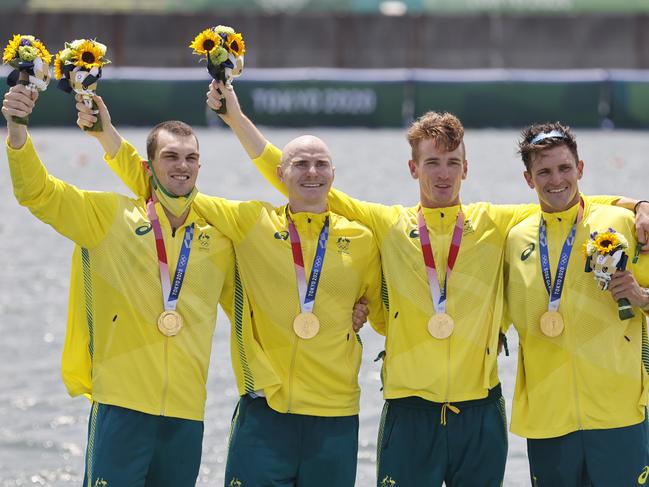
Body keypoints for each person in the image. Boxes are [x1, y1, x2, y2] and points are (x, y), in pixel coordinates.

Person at [205, 80, 649, 486]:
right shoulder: (388, 224)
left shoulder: (496, 223)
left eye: (452, 163)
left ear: (466, 168)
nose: (443, 173)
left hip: (480, 413)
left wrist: (636, 203)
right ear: (413, 168)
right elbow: (303, 185)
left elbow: (566, 205)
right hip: (408, 412)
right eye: (432, 162)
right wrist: (236, 120)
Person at [76, 92, 385, 486]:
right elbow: (169, 186)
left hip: (336, 414)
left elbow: (382, 313)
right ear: (281, 173)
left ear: (333, 174)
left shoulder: (362, 239)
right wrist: (107, 137)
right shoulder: (250, 223)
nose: (312, 172)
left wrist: (354, 314)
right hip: (265, 410)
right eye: (301, 164)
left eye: (321, 164)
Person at [1, 85, 255, 486]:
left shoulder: (219, 236)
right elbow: (37, 193)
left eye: (191, 158)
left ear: (200, 167)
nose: (181, 166)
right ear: (149, 166)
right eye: (170, 157)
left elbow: (260, 299)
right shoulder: (107, 217)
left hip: (186, 414)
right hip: (120, 406)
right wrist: (17, 129)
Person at [504, 122, 649, 486]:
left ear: (580, 169)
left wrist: (642, 297)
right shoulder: (515, 237)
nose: (557, 180)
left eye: (565, 168)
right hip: (548, 417)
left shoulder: (624, 223)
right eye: (544, 172)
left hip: (618, 414)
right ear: (528, 178)